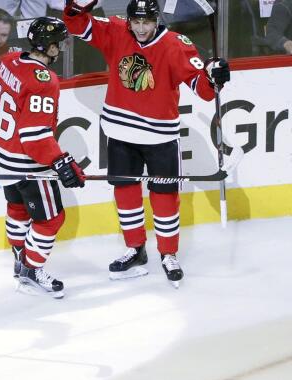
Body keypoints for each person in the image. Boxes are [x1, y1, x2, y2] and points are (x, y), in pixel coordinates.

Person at [63, 0, 230, 287]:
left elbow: (202, 90)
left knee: (164, 198)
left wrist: (214, 77)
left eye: (147, 22)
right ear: (128, 20)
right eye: (136, 22)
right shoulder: (116, 32)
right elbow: (77, 25)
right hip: (119, 133)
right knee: (126, 195)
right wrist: (77, 5)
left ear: (157, 20)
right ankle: (135, 249)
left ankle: (168, 254)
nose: (141, 28)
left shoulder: (177, 45)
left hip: (160, 137)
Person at [0, 17, 85, 299]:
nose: (62, 47)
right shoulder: (45, 81)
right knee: (52, 218)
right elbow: (34, 137)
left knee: (17, 208)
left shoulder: (10, 59)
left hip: (0, 157)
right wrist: (61, 161)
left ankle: (19, 258)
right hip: (27, 165)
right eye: (59, 42)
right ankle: (29, 269)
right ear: (49, 46)